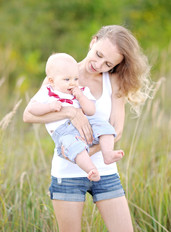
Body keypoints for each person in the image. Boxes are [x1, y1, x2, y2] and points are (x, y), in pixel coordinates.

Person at [23, 25, 151, 232]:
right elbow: (28, 115)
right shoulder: (60, 73)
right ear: (93, 41)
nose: (98, 64)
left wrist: (86, 153)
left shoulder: (114, 81)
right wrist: (70, 112)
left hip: (105, 171)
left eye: (108, 63)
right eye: (98, 54)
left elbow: (116, 130)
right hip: (67, 174)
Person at [27, 53, 124, 181]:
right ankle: (91, 169)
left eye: (76, 79)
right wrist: (49, 107)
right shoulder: (48, 91)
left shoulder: (82, 91)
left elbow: (91, 111)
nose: (72, 83)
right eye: (67, 80)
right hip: (63, 130)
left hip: (87, 123)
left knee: (104, 126)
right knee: (73, 146)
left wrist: (81, 97)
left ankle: (107, 154)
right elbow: (31, 109)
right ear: (52, 80)